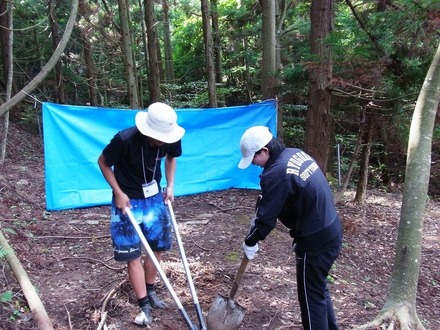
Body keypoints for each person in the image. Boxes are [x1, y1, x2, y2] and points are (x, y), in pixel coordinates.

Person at [238, 126, 343, 330]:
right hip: (331, 229)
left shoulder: (276, 173)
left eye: (253, 158)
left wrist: (250, 240)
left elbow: (266, 222)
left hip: (315, 242)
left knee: (310, 299)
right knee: (317, 289)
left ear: (265, 151)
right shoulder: (294, 154)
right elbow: (288, 198)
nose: (253, 163)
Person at [97, 102, 185, 326]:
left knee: (157, 247)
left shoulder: (171, 136)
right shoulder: (124, 139)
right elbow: (103, 162)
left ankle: (151, 289)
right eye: (159, 139)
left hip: (154, 198)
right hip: (127, 200)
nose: (162, 143)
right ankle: (143, 302)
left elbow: (172, 157)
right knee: (132, 253)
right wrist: (117, 192)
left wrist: (171, 185)